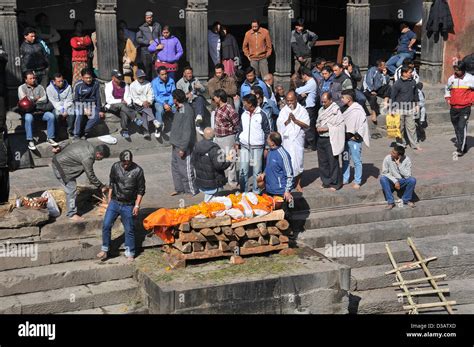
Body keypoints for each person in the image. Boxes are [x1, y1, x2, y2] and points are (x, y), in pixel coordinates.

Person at [97, 150, 145, 261]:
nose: (126, 165)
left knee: (129, 229)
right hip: (114, 202)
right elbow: (112, 182)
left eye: (128, 162)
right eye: (124, 162)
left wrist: (137, 206)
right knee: (106, 225)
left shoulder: (138, 171)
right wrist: (109, 198)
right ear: (120, 161)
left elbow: (141, 190)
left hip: (128, 204)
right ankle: (105, 249)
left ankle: (130, 251)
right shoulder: (115, 167)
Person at [51, 141, 110, 222]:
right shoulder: (88, 158)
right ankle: (71, 214)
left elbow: (70, 141)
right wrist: (101, 186)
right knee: (71, 190)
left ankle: (72, 210)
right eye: (102, 157)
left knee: (71, 188)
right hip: (62, 168)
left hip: (60, 161)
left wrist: (60, 147)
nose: (101, 159)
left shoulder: (88, 144)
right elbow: (90, 174)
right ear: (98, 154)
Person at [236, 94, 270, 194]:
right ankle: (244, 192)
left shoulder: (262, 115)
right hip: (244, 146)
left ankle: (256, 192)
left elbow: (267, 131)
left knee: (257, 172)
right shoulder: (244, 114)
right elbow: (240, 128)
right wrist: (237, 140)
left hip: (258, 147)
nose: (243, 105)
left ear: (250, 104)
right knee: (243, 171)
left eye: (245, 103)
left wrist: (266, 148)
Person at [276, 91, 310, 192]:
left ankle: (298, 184)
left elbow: (307, 125)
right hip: (287, 141)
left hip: (297, 140)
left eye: (291, 100)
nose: (289, 103)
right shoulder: (283, 111)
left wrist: (295, 121)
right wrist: (287, 121)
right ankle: (288, 184)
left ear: (296, 100)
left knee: (298, 161)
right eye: (288, 101)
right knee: (287, 162)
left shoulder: (302, 110)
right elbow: (280, 125)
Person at [18, 70, 57, 150]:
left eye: (34, 78)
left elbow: (44, 99)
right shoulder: (21, 88)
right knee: (28, 118)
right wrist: (36, 99)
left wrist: (31, 100)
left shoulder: (40, 87)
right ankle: (30, 140)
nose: (33, 80)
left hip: (40, 112)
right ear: (26, 80)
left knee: (51, 116)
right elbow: (24, 101)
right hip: (28, 112)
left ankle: (50, 137)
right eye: (31, 78)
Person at [192, 127, 232, 202]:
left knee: (209, 199)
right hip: (213, 181)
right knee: (210, 201)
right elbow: (220, 166)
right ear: (213, 136)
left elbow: (193, 161)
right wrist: (228, 160)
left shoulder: (197, 146)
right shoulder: (214, 149)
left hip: (202, 180)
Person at [170, 89, 197, 196]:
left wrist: (183, 148)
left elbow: (187, 130)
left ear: (176, 99)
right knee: (176, 167)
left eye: (173, 98)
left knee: (186, 168)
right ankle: (179, 188)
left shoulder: (187, 110)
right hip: (175, 143)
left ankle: (191, 190)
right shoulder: (180, 108)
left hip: (183, 145)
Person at [341, 90, 370, 190]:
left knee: (356, 160)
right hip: (345, 139)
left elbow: (362, 124)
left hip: (354, 140)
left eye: (343, 98)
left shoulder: (358, 109)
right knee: (345, 160)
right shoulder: (343, 109)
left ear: (349, 99)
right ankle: (345, 178)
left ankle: (358, 180)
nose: (341, 99)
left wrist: (356, 135)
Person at [316, 92, 345, 191]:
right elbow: (318, 121)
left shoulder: (335, 110)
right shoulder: (321, 110)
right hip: (321, 138)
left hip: (330, 138)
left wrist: (327, 128)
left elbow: (339, 125)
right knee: (323, 162)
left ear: (330, 100)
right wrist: (318, 127)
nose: (323, 104)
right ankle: (326, 181)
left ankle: (336, 183)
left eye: (325, 102)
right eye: (322, 102)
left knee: (333, 162)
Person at [444, 61, 474, 157]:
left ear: (463, 69)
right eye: (455, 70)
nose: (456, 72)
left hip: (465, 107)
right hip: (454, 108)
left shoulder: (470, 78)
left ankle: (460, 149)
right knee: (457, 127)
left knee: (461, 127)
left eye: (458, 70)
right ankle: (462, 144)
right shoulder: (451, 79)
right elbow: (447, 89)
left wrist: (471, 100)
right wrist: (448, 98)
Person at [213, 89, 240, 189]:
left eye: (215, 97)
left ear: (219, 98)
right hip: (218, 138)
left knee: (230, 160)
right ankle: (221, 180)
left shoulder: (229, 109)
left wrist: (236, 140)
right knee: (219, 160)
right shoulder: (217, 108)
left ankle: (232, 182)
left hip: (228, 138)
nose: (213, 99)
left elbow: (237, 124)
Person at [391, 66, 421, 150]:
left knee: (412, 127)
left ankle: (415, 144)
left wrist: (417, 104)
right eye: (409, 72)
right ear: (404, 73)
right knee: (400, 128)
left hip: (410, 108)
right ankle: (401, 144)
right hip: (399, 109)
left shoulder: (413, 82)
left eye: (411, 72)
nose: (411, 74)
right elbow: (393, 97)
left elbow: (416, 94)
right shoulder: (397, 84)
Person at [260, 131, 293, 203]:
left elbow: (289, 175)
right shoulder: (270, 151)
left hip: (280, 192)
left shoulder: (283, 155)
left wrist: (287, 191)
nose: (266, 140)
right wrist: (264, 173)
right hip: (269, 190)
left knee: (285, 213)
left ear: (272, 143)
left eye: (268, 139)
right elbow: (268, 166)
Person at [380, 144, 416, 209]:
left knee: (412, 180)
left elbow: (408, 175)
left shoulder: (407, 160)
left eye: (393, 153)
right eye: (392, 151)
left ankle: (406, 199)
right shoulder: (387, 158)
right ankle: (391, 202)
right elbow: (384, 173)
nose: (391, 153)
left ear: (399, 156)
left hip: (402, 181)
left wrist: (399, 165)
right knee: (382, 178)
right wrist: (395, 181)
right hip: (391, 181)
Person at [104, 70, 137, 140]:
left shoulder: (125, 85)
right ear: (113, 78)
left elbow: (128, 97)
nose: (120, 79)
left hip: (124, 106)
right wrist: (121, 101)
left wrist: (127, 102)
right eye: (117, 77)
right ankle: (134, 117)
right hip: (112, 105)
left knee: (124, 113)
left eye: (120, 77)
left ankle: (124, 130)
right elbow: (108, 100)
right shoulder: (108, 85)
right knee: (122, 105)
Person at [73, 68, 104, 140]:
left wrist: (100, 110)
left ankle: (84, 132)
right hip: (80, 104)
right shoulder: (78, 85)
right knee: (79, 114)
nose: (89, 79)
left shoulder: (96, 84)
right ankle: (76, 135)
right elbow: (75, 100)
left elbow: (98, 98)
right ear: (82, 78)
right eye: (86, 78)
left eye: (90, 77)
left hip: (92, 104)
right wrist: (84, 109)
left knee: (97, 116)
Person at [176, 66, 207, 135]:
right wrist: (186, 95)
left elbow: (204, 90)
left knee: (200, 99)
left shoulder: (195, 80)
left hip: (194, 100)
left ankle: (198, 121)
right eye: (188, 73)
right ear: (184, 74)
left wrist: (199, 87)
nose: (190, 75)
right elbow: (178, 97)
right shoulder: (179, 83)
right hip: (185, 102)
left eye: (190, 73)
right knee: (182, 107)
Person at [295, 67, 318, 151]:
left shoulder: (311, 83)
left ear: (305, 75)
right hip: (306, 107)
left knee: (309, 126)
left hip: (310, 107)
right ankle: (308, 144)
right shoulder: (309, 83)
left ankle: (311, 145)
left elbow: (298, 90)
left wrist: (299, 90)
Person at [46, 73, 75, 138]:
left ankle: (70, 132)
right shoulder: (49, 89)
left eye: (62, 81)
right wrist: (62, 109)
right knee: (55, 115)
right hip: (57, 107)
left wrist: (65, 109)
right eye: (58, 81)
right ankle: (56, 133)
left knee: (72, 113)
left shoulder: (68, 87)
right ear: (54, 82)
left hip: (67, 106)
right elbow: (53, 102)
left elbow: (69, 100)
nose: (61, 83)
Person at [136, 10, 162, 81]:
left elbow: (160, 37)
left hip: (156, 52)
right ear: (145, 18)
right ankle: (148, 85)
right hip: (146, 52)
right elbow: (138, 39)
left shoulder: (157, 25)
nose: (149, 19)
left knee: (156, 70)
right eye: (148, 18)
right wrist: (148, 42)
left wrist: (160, 45)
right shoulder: (141, 27)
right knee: (147, 70)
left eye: (150, 17)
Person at [363, 59, 391, 124]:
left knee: (389, 87)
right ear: (379, 66)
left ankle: (385, 101)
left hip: (377, 89)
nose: (385, 66)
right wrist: (372, 90)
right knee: (373, 97)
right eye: (384, 65)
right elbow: (368, 81)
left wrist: (384, 75)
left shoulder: (381, 72)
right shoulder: (373, 70)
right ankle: (373, 113)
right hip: (368, 89)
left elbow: (385, 83)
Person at [152, 66, 176, 138]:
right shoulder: (154, 82)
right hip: (159, 101)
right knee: (160, 110)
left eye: (165, 74)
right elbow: (156, 96)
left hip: (170, 101)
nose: (165, 76)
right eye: (162, 74)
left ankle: (179, 126)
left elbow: (173, 93)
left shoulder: (171, 81)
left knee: (178, 108)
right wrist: (164, 104)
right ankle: (158, 127)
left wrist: (169, 103)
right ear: (158, 75)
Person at [130, 69, 155, 139]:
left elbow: (151, 94)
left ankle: (146, 131)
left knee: (145, 112)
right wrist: (142, 103)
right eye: (140, 77)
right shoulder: (133, 85)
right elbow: (134, 98)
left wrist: (149, 101)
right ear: (136, 77)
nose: (142, 78)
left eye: (143, 77)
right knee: (145, 109)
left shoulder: (148, 83)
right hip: (138, 104)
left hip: (147, 104)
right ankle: (154, 120)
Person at [35, 13, 60, 78]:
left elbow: (58, 36)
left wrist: (49, 40)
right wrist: (50, 36)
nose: (44, 21)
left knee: (53, 68)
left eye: (45, 19)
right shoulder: (36, 29)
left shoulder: (51, 28)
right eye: (42, 19)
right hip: (41, 52)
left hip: (52, 52)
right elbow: (39, 35)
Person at [70, 20, 92, 87]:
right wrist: (83, 42)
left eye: (81, 26)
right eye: (78, 26)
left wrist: (80, 43)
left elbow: (88, 42)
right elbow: (75, 45)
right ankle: (76, 91)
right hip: (77, 61)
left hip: (85, 60)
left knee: (86, 76)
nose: (80, 27)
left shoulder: (85, 35)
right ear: (75, 27)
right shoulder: (73, 36)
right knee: (77, 78)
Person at [0, 127, 12, 204]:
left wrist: (10, 160)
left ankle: (3, 201)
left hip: (4, 163)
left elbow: (8, 147)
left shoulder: (4, 132)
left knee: (4, 185)